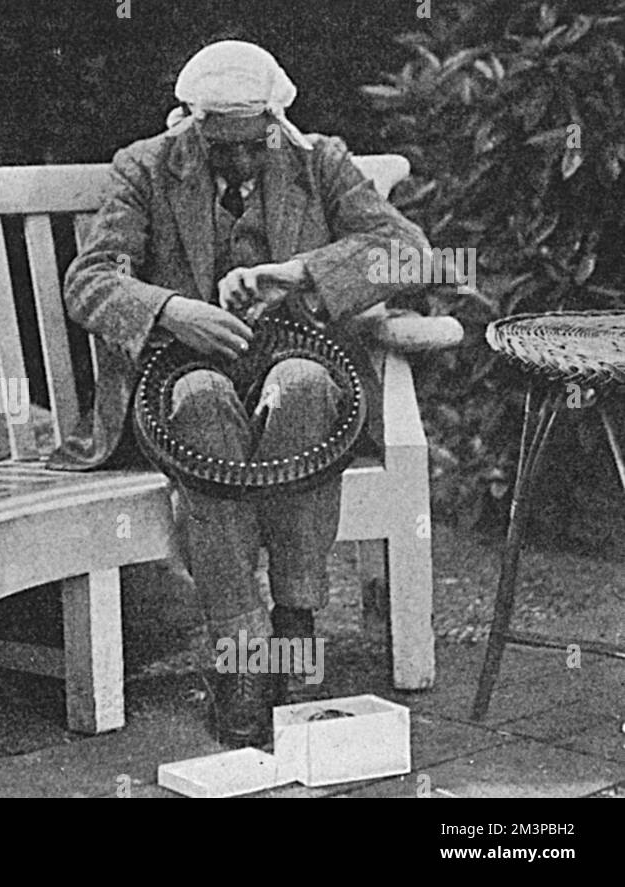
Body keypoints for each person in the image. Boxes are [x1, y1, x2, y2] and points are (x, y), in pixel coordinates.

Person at [47, 40, 430, 747]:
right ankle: (244, 647)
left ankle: (295, 616)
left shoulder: (320, 163)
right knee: (202, 404)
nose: (240, 164)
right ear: (191, 126)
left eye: (254, 147)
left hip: (299, 358)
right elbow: (91, 279)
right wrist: (170, 310)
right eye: (221, 150)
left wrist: (301, 273)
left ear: (276, 123)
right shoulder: (147, 168)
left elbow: (407, 250)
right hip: (181, 376)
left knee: (305, 388)